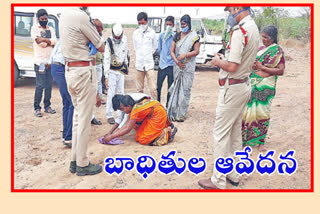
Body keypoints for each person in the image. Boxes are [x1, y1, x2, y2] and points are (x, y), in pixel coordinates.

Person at [198, 6, 259, 189]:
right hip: (243, 85)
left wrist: (217, 62)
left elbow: (232, 66)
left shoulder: (240, 31)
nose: (229, 14)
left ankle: (217, 180)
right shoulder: (253, 28)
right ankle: (233, 174)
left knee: (221, 134)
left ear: (238, 7)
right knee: (234, 134)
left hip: (232, 88)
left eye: (230, 10)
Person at [59, 7, 105, 176]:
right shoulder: (82, 17)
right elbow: (101, 46)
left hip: (70, 71)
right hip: (84, 71)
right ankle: (83, 164)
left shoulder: (64, 14)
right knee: (84, 121)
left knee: (78, 118)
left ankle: (74, 161)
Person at [242, 25, 285, 151]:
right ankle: (246, 139)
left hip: (266, 87)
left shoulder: (277, 51)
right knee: (247, 113)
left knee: (262, 113)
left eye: (266, 37)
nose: (263, 39)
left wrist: (262, 68)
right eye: (263, 36)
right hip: (253, 84)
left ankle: (261, 141)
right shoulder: (260, 49)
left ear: (272, 38)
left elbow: (280, 71)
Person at [103, 95, 177, 146]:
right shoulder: (132, 106)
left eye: (122, 109)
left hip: (158, 114)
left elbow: (128, 128)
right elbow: (127, 124)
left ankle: (166, 133)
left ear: (128, 106)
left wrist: (112, 136)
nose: (123, 111)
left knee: (143, 139)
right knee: (138, 135)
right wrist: (113, 134)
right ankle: (162, 129)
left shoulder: (135, 110)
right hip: (152, 115)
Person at [167, 14, 200, 122]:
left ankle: (181, 114)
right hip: (177, 66)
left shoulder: (194, 36)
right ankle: (173, 111)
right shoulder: (177, 35)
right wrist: (177, 61)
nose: (182, 26)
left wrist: (185, 55)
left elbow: (196, 51)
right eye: (181, 24)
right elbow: (172, 51)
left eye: (184, 24)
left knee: (185, 89)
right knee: (175, 89)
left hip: (188, 67)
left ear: (189, 24)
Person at [31, 9, 57, 117]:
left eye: (46, 19)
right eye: (42, 19)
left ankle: (47, 106)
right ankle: (37, 108)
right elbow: (38, 42)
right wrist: (49, 41)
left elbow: (55, 41)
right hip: (40, 62)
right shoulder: (34, 28)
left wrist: (45, 40)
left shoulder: (51, 28)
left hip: (50, 62)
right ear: (38, 19)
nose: (44, 20)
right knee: (40, 85)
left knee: (49, 85)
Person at [49, 41, 73, 147]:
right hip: (60, 67)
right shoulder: (69, 37)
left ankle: (66, 135)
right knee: (72, 102)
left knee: (67, 103)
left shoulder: (64, 35)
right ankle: (69, 137)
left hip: (57, 67)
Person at [104, 23, 129, 125]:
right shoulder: (109, 42)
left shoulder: (125, 40)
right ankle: (109, 115)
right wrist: (106, 76)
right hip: (112, 71)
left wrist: (126, 66)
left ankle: (120, 114)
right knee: (111, 93)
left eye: (119, 37)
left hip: (121, 70)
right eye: (116, 37)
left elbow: (126, 53)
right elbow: (106, 59)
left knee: (121, 92)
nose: (118, 38)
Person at [132, 12, 158, 100]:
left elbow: (154, 47)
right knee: (139, 89)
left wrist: (148, 54)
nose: (141, 25)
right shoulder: (135, 33)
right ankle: (141, 107)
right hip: (139, 64)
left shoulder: (152, 33)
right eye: (139, 23)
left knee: (153, 88)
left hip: (149, 64)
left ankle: (155, 106)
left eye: (143, 23)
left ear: (147, 22)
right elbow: (135, 47)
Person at [157, 16, 175, 107]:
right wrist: (163, 57)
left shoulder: (175, 36)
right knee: (158, 86)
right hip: (162, 65)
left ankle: (169, 105)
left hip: (172, 65)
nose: (168, 26)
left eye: (170, 25)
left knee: (170, 87)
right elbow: (159, 49)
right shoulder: (161, 36)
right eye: (167, 24)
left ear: (173, 25)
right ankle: (158, 105)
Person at [91, 18, 104, 126]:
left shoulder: (98, 36)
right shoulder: (90, 37)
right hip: (89, 66)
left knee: (97, 85)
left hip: (97, 63)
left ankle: (92, 116)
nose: (101, 31)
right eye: (100, 29)